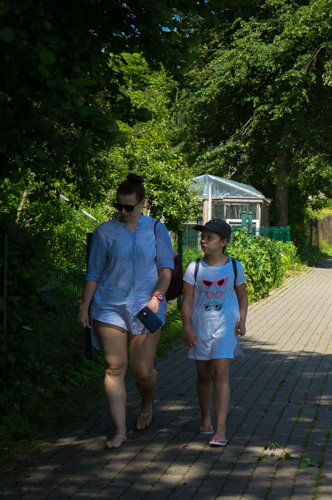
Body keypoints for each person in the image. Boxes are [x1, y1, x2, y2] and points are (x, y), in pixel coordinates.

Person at [77, 173, 174, 449]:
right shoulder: (104, 232)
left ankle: (146, 401)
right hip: (109, 306)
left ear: (142, 203)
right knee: (115, 367)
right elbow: (93, 273)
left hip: (147, 306)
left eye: (129, 207)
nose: (122, 211)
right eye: (118, 206)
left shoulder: (156, 229)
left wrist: (157, 298)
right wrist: (85, 307)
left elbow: (166, 269)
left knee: (142, 371)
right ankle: (119, 430)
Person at [180, 219, 248, 447]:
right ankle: (205, 419)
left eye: (209, 237)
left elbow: (242, 296)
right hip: (200, 327)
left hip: (225, 326)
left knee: (220, 374)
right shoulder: (194, 268)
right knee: (203, 376)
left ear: (223, 242)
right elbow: (187, 302)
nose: (203, 241)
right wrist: (186, 328)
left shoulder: (235, 267)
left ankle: (220, 428)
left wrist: (242, 320)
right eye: (203, 237)